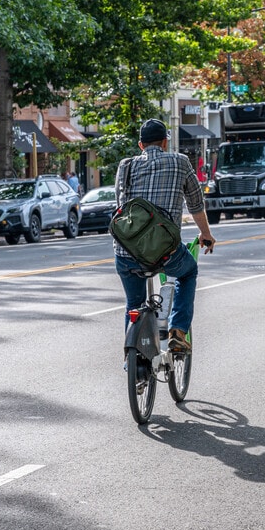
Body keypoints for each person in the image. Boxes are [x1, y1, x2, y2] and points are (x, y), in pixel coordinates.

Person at [114, 119, 215, 354]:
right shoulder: (180, 162)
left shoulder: (126, 166)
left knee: (134, 304)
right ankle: (178, 331)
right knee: (188, 273)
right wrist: (205, 233)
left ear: (141, 145)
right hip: (165, 252)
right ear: (165, 142)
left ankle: (133, 360)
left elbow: (120, 206)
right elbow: (195, 203)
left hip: (126, 252)